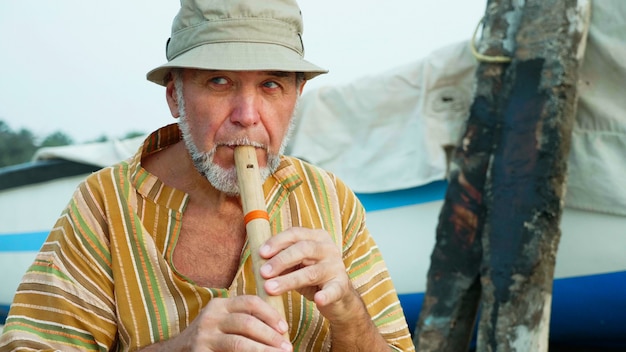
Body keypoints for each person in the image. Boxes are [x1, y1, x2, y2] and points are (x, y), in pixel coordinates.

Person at [0, 0, 415, 351]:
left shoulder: (331, 200)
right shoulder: (104, 203)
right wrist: (182, 346)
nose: (247, 117)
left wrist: (346, 310)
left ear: (297, 95)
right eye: (219, 82)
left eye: (271, 85)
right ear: (174, 96)